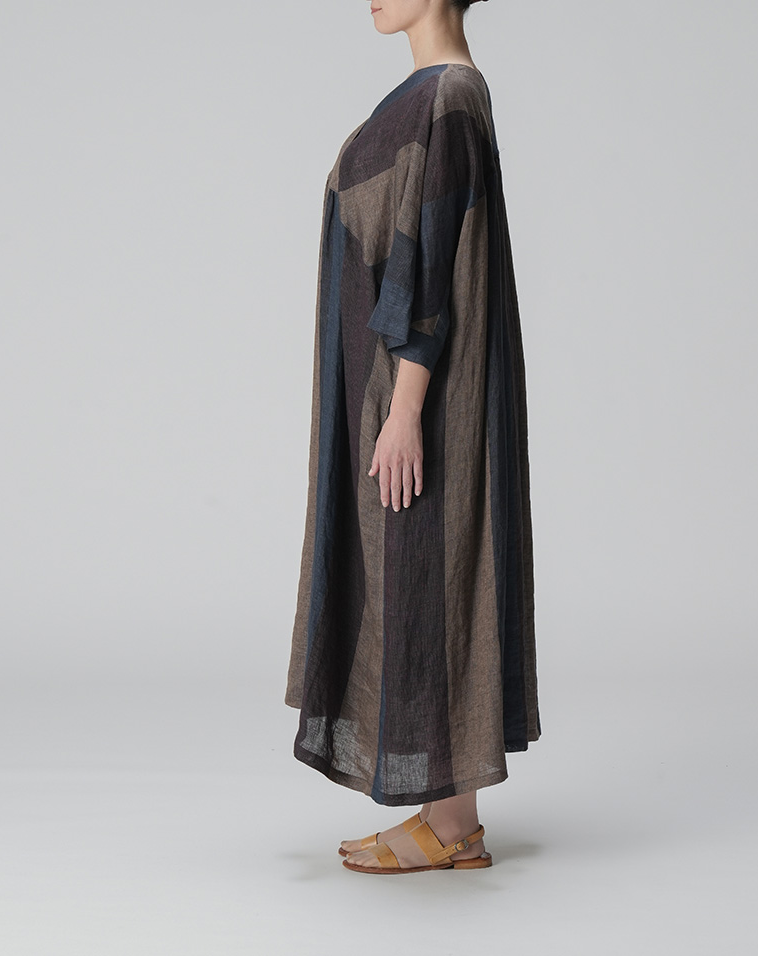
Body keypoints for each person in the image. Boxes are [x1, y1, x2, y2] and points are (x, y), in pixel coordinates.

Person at [284, 0, 540, 875]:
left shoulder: (451, 96)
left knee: (428, 576)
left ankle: (452, 821)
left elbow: (430, 258)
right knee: (415, 575)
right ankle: (447, 817)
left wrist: (404, 410)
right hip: (389, 386)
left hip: (417, 394)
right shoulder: (431, 94)